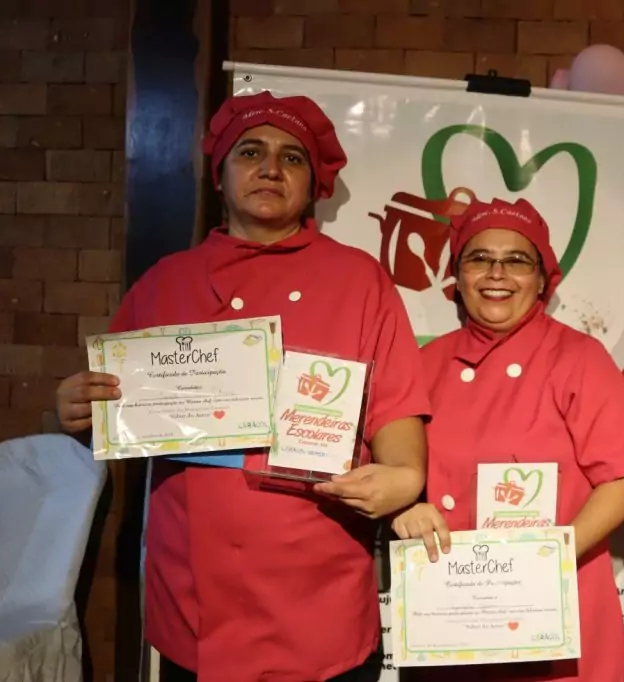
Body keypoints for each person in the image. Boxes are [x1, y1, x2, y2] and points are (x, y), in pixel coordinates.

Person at [54, 92, 430, 682]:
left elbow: (396, 409)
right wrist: (78, 409)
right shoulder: (165, 283)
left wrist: (405, 476)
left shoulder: (360, 281)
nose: (271, 168)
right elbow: (117, 411)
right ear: (221, 175)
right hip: (194, 599)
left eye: (292, 158)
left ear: (313, 184)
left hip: (321, 597)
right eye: (250, 152)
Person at [389, 197, 624, 682]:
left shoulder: (580, 358)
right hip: (449, 611)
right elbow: (391, 468)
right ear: (457, 276)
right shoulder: (424, 365)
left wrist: (545, 563)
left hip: (557, 606)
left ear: (541, 281)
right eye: (479, 258)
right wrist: (404, 508)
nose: (497, 274)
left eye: (517, 260)